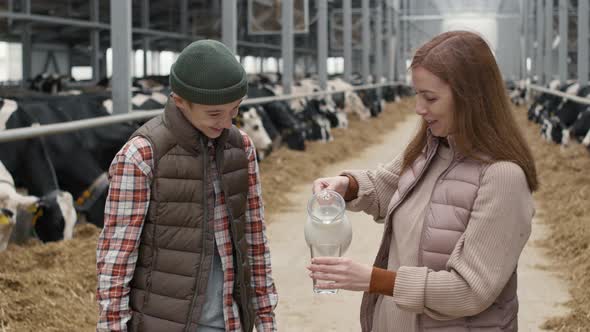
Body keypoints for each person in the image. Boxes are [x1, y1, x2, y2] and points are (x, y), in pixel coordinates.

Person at [308, 30, 537, 332]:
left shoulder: (503, 178)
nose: (419, 108)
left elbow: (470, 291)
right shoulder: (432, 147)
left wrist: (374, 280)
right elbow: (386, 187)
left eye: (430, 97)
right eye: (417, 94)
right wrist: (346, 185)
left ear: (471, 98)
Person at [96, 40, 278, 332]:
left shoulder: (241, 147)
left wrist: (266, 319)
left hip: (231, 321)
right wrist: (112, 326)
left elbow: (255, 238)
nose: (227, 122)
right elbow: (116, 257)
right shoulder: (142, 155)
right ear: (179, 101)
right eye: (214, 113)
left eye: (235, 110)